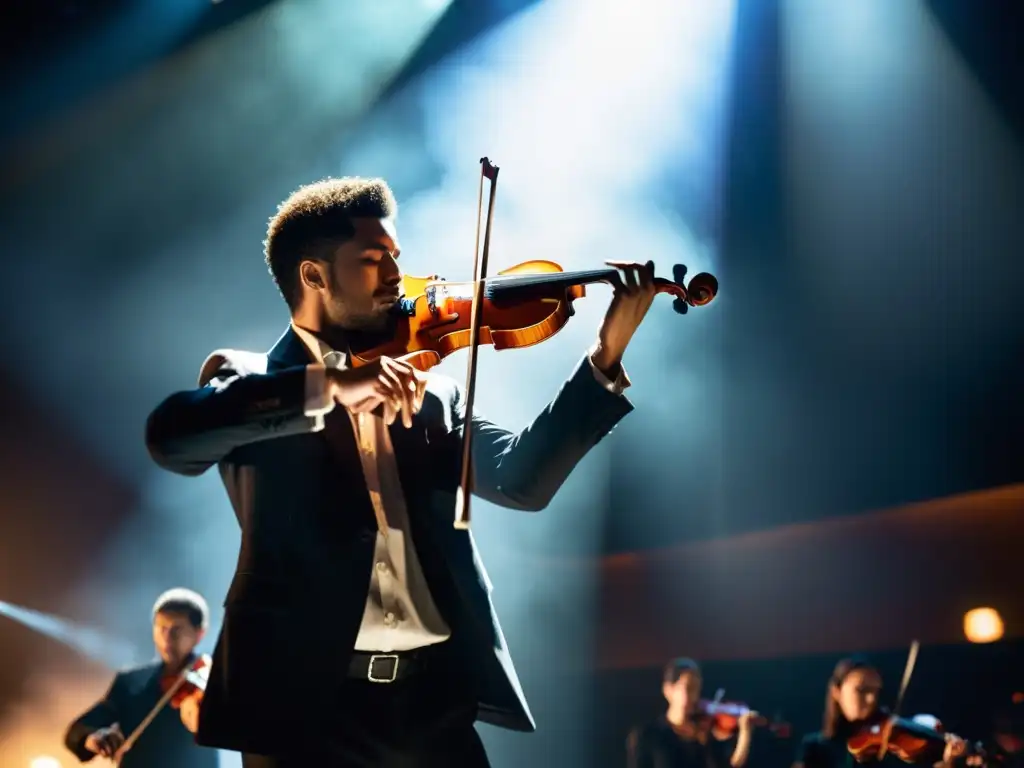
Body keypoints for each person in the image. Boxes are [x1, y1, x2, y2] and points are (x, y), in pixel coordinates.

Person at [145, 177, 656, 766]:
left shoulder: (432, 393)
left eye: (395, 256)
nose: (396, 276)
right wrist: (334, 387)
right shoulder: (251, 379)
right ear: (313, 276)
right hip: (304, 714)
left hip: (433, 704)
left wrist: (605, 354)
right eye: (372, 259)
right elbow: (170, 437)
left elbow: (523, 481)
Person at [64, 588, 218, 768]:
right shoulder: (130, 681)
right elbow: (76, 731)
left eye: (177, 629)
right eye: (162, 628)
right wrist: (92, 738)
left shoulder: (212, 681)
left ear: (199, 633)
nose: (167, 638)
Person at [793, 656, 969, 768]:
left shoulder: (889, 749)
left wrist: (949, 763)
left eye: (875, 692)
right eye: (862, 690)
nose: (871, 699)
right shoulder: (814, 747)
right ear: (836, 692)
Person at [627, 657, 755, 768]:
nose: (693, 696)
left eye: (696, 689)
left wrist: (745, 733)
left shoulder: (704, 733)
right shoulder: (647, 735)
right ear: (668, 690)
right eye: (688, 687)